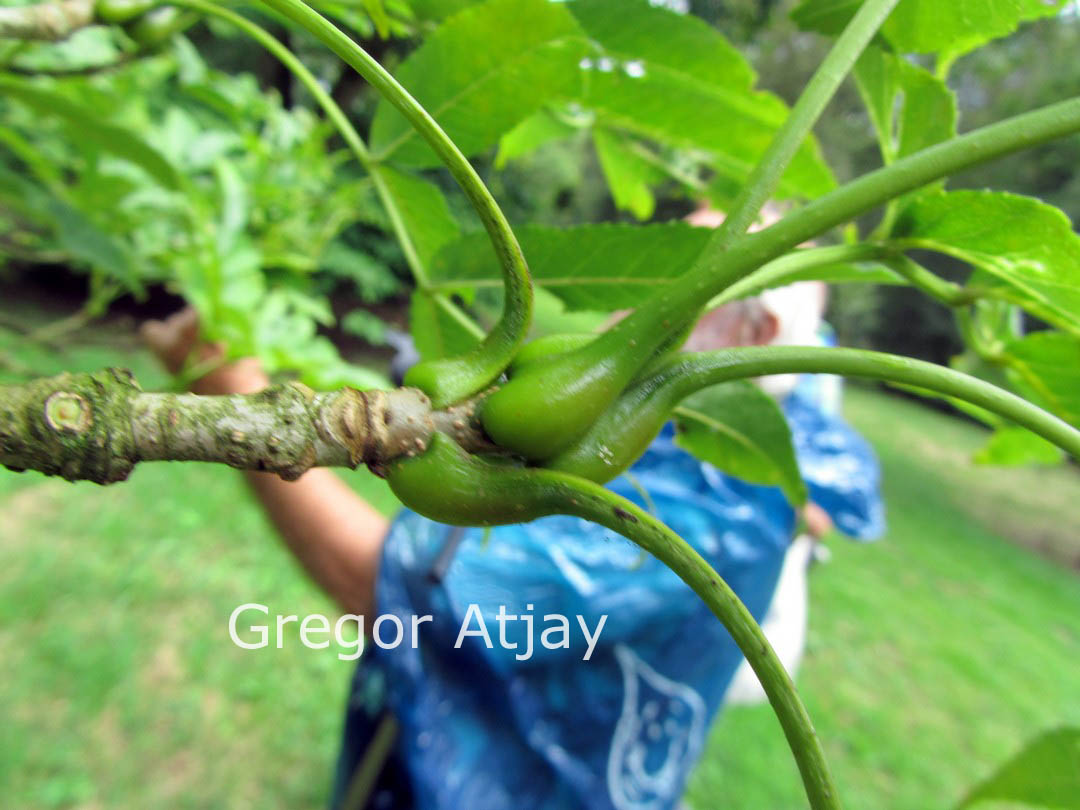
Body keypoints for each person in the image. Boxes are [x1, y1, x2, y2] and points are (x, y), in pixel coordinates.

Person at [143, 293, 883, 810]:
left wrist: (231, 385)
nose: (623, 303)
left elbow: (403, 594)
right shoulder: (710, 470)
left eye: (669, 272)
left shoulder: (717, 512)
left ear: (758, 333)